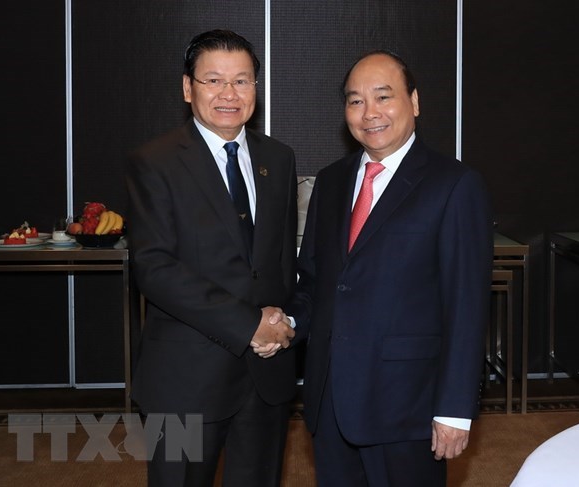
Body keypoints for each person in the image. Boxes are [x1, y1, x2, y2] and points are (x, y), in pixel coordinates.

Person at [267, 50, 493, 486]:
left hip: (408, 405)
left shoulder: (455, 184)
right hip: (330, 400)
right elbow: (315, 279)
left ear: (415, 101)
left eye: (383, 96)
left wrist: (454, 408)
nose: (369, 113)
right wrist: (290, 319)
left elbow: (466, 305)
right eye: (355, 101)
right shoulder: (331, 181)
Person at [126, 29, 298, 487]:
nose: (229, 94)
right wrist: (249, 324)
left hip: (265, 374)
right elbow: (155, 268)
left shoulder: (278, 159)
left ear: (256, 89)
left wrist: (284, 325)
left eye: (242, 81)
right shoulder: (155, 161)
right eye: (214, 80)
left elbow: (281, 263)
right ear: (188, 88)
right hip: (185, 380)